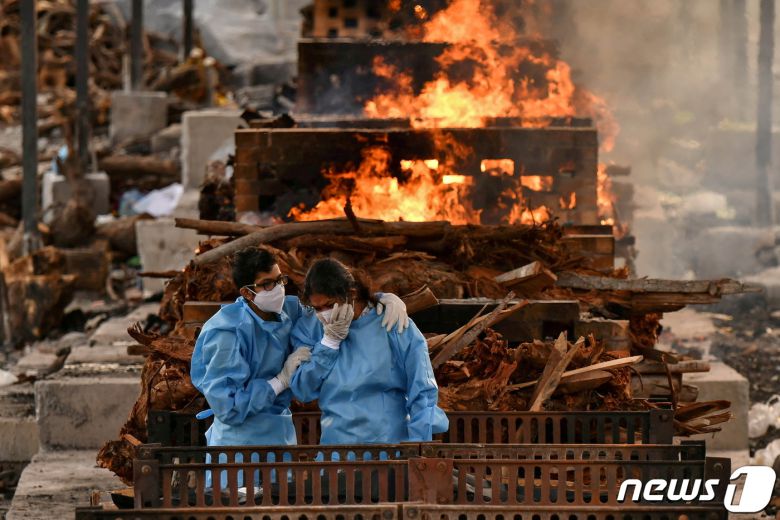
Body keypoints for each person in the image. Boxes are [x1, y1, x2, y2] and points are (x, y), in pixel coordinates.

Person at [190, 247, 410, 449]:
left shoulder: (290, 309)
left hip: (280, 434)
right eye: (267, 284)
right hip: (237, 446)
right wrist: (279, 382)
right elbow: (228, 407)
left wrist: (380, 299)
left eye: (279, 280)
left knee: (280, 492)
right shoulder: (227, 333)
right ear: (247, 293)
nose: (277, 289)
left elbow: (331, 304)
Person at [290, 258, 449, 445]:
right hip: (337, 452)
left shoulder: (391, 321)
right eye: (317, 308)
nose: (324, 314)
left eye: (330, 304)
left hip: (390, 448)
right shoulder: (311, 328)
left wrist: (418, 445)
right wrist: (328, 344)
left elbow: (422, 389)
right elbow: (302, 390)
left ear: (352, 294)